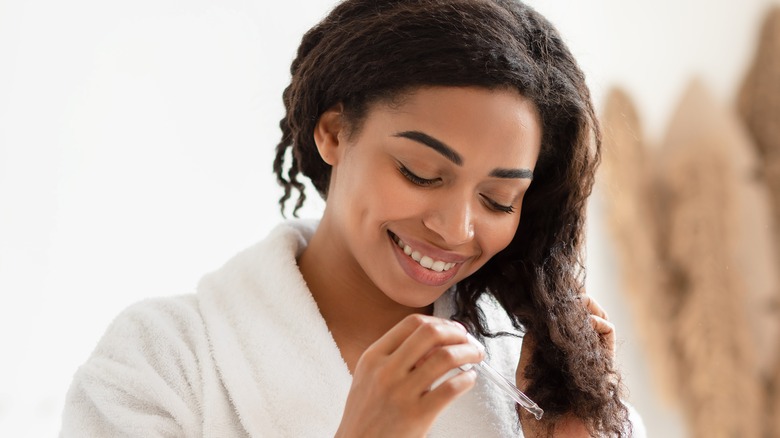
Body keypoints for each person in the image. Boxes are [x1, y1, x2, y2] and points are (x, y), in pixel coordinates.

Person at [61, 0, 642, 436]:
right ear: (335, 133)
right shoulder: (165, 359)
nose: (456, 229)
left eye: (497, 200)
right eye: (420, 172)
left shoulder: (535, 381)